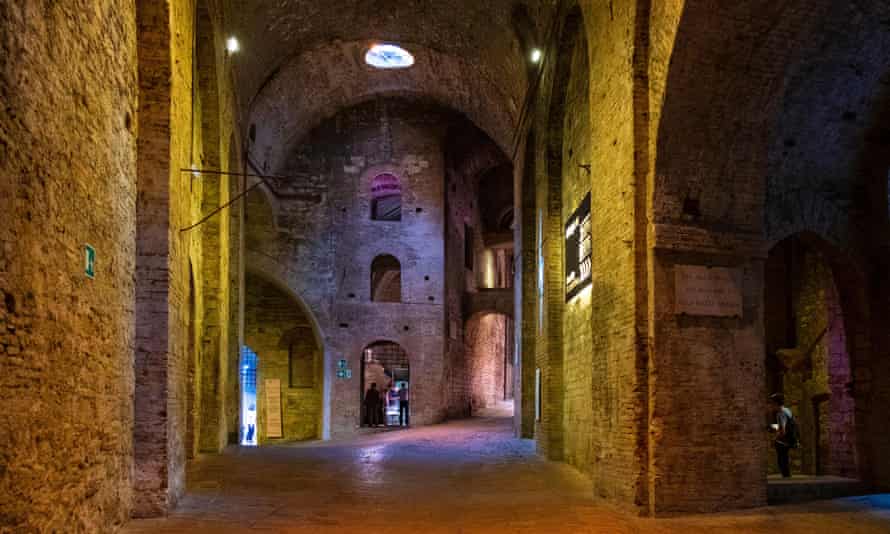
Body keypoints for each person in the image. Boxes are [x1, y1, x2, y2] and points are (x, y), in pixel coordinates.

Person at [769, 392, 797, 478]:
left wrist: (774, 439)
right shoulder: (787, 410)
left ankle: (787, 480)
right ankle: (787, 478)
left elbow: (783, 431)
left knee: (782, 462)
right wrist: (772, 427)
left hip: (783, 442)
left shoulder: (781, 413)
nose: (771, 405)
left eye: (772, 403)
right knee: (784, 461)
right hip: (789, 440)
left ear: (776, 403)